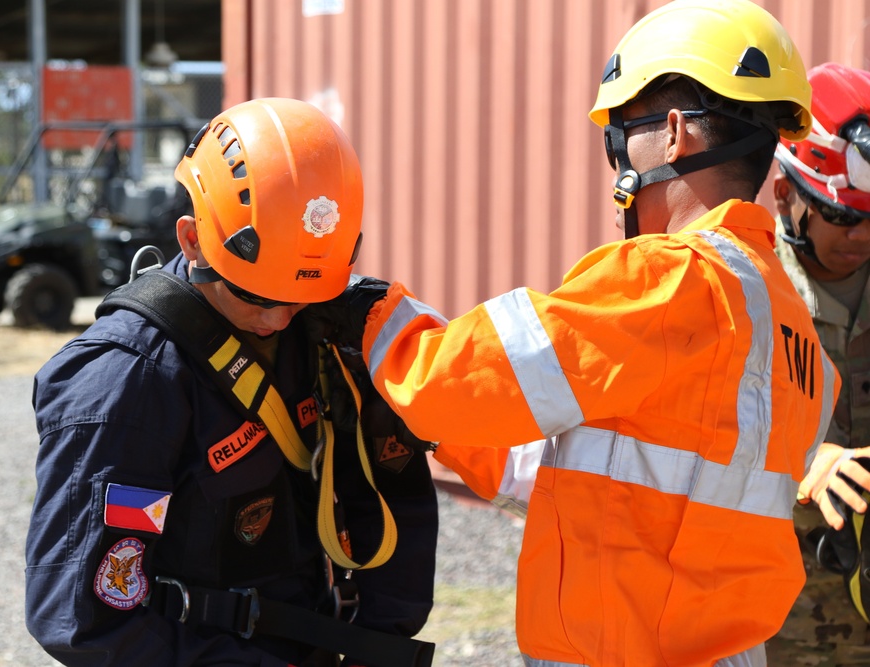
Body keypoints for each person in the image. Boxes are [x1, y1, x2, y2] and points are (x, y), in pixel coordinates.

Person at [308, 0, 842, 664]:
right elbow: (588, 463)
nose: (616, 160)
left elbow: (457, 382)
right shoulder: (799, 339)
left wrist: (374, 319)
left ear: (673, 134)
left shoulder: (666, 279)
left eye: (621, 135)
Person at [24, 97, 439, 667]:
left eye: (297, 298)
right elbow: (87, 623)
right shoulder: (128, 385)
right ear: (192, 240)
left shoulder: (329, 332)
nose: (276, 319)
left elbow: (396, 496)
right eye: (254, 294)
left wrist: (380, 641)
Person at [766, 61, 870, 663]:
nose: (860, 234)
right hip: (789, 620)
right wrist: (810, 456)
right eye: (842, 215)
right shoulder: (746, 294)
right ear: (786, 195)